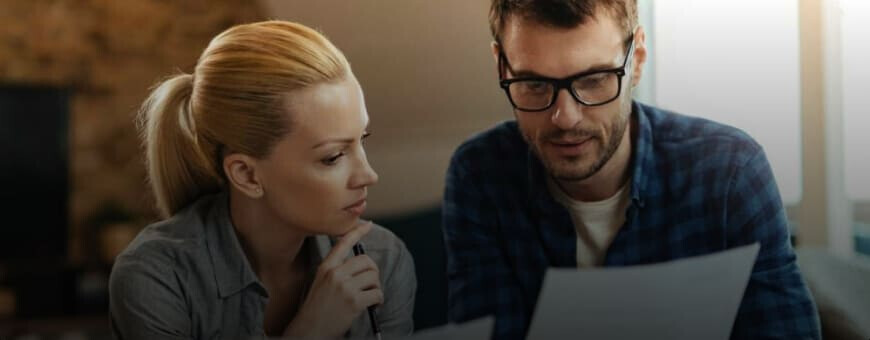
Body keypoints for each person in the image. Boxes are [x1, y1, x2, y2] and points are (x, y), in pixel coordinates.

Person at [442, 1, 821, 339]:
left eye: (593, 80)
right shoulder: (480, 176)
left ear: (637, 58)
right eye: (534, 84)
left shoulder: (730, 173)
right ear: (500, 65)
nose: (564, 118)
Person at [109, 20, 416, 339]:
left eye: (361, 139)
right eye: (333, 157)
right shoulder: (155, 278)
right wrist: (312, 330)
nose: (369, 175)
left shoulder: (383, 259)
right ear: (246, 175)